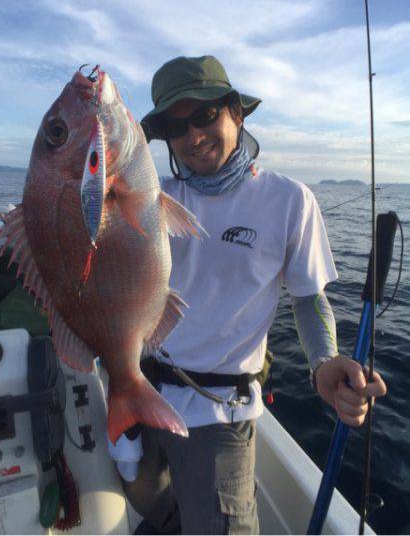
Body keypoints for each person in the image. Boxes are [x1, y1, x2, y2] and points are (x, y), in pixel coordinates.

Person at [122, 55, 387, 535]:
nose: (194, 136)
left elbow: (307, 299)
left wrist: (323, 361)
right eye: (175, 127)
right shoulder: (146, 199)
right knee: (145, 499)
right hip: (139, 391)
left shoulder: (288, 201)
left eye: (205, 116)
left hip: (216, 415)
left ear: (236, 115)